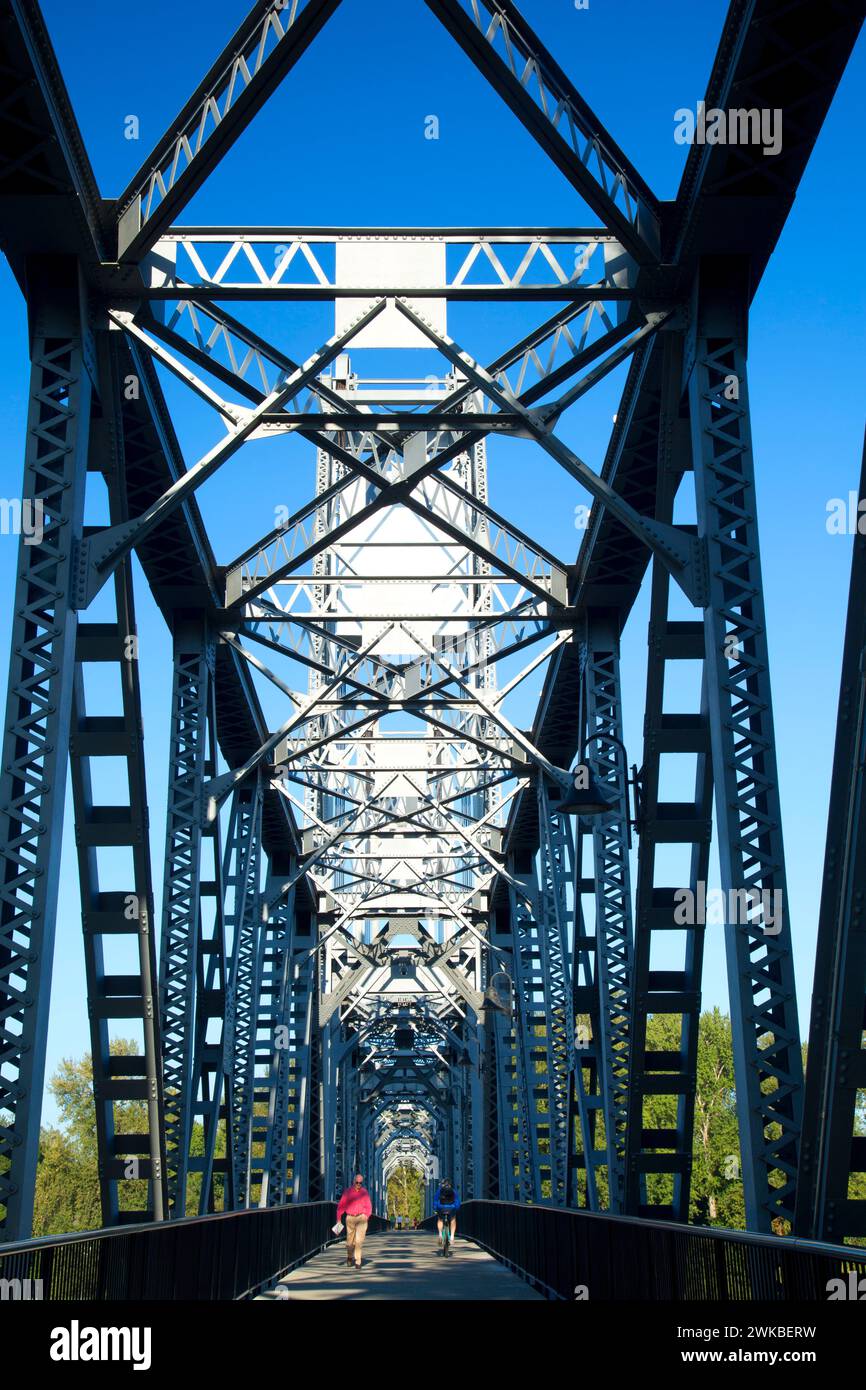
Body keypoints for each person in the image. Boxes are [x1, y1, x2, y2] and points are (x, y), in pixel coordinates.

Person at [336, 1173, 373, 1269]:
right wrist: (339, 1219)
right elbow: (341, 1206)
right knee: (349, 1242)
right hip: (350, 1218)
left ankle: (358, 1261)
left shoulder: (364, 1192)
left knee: (359, 1241)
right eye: (357, 1182)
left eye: (360, 1183)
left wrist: (366, 1216)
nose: (358, 1184)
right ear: (354, 1182)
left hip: (361, 1218)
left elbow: (369, 1206)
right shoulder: (348, 1192)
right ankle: (349, 1256)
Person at [433, 1178, 460, 1252]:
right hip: (451, 1208)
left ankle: (440, 1235)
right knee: (453, 1219)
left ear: (443, 1184)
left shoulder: (440, 1191)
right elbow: (457, 1201)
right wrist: (456, 1209)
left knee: (440, 1219)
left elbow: (435, 1200)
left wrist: (435, 1209)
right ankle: (452, 1237)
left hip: (441, 1208)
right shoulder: (453, 1191)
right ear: (450, 1184)